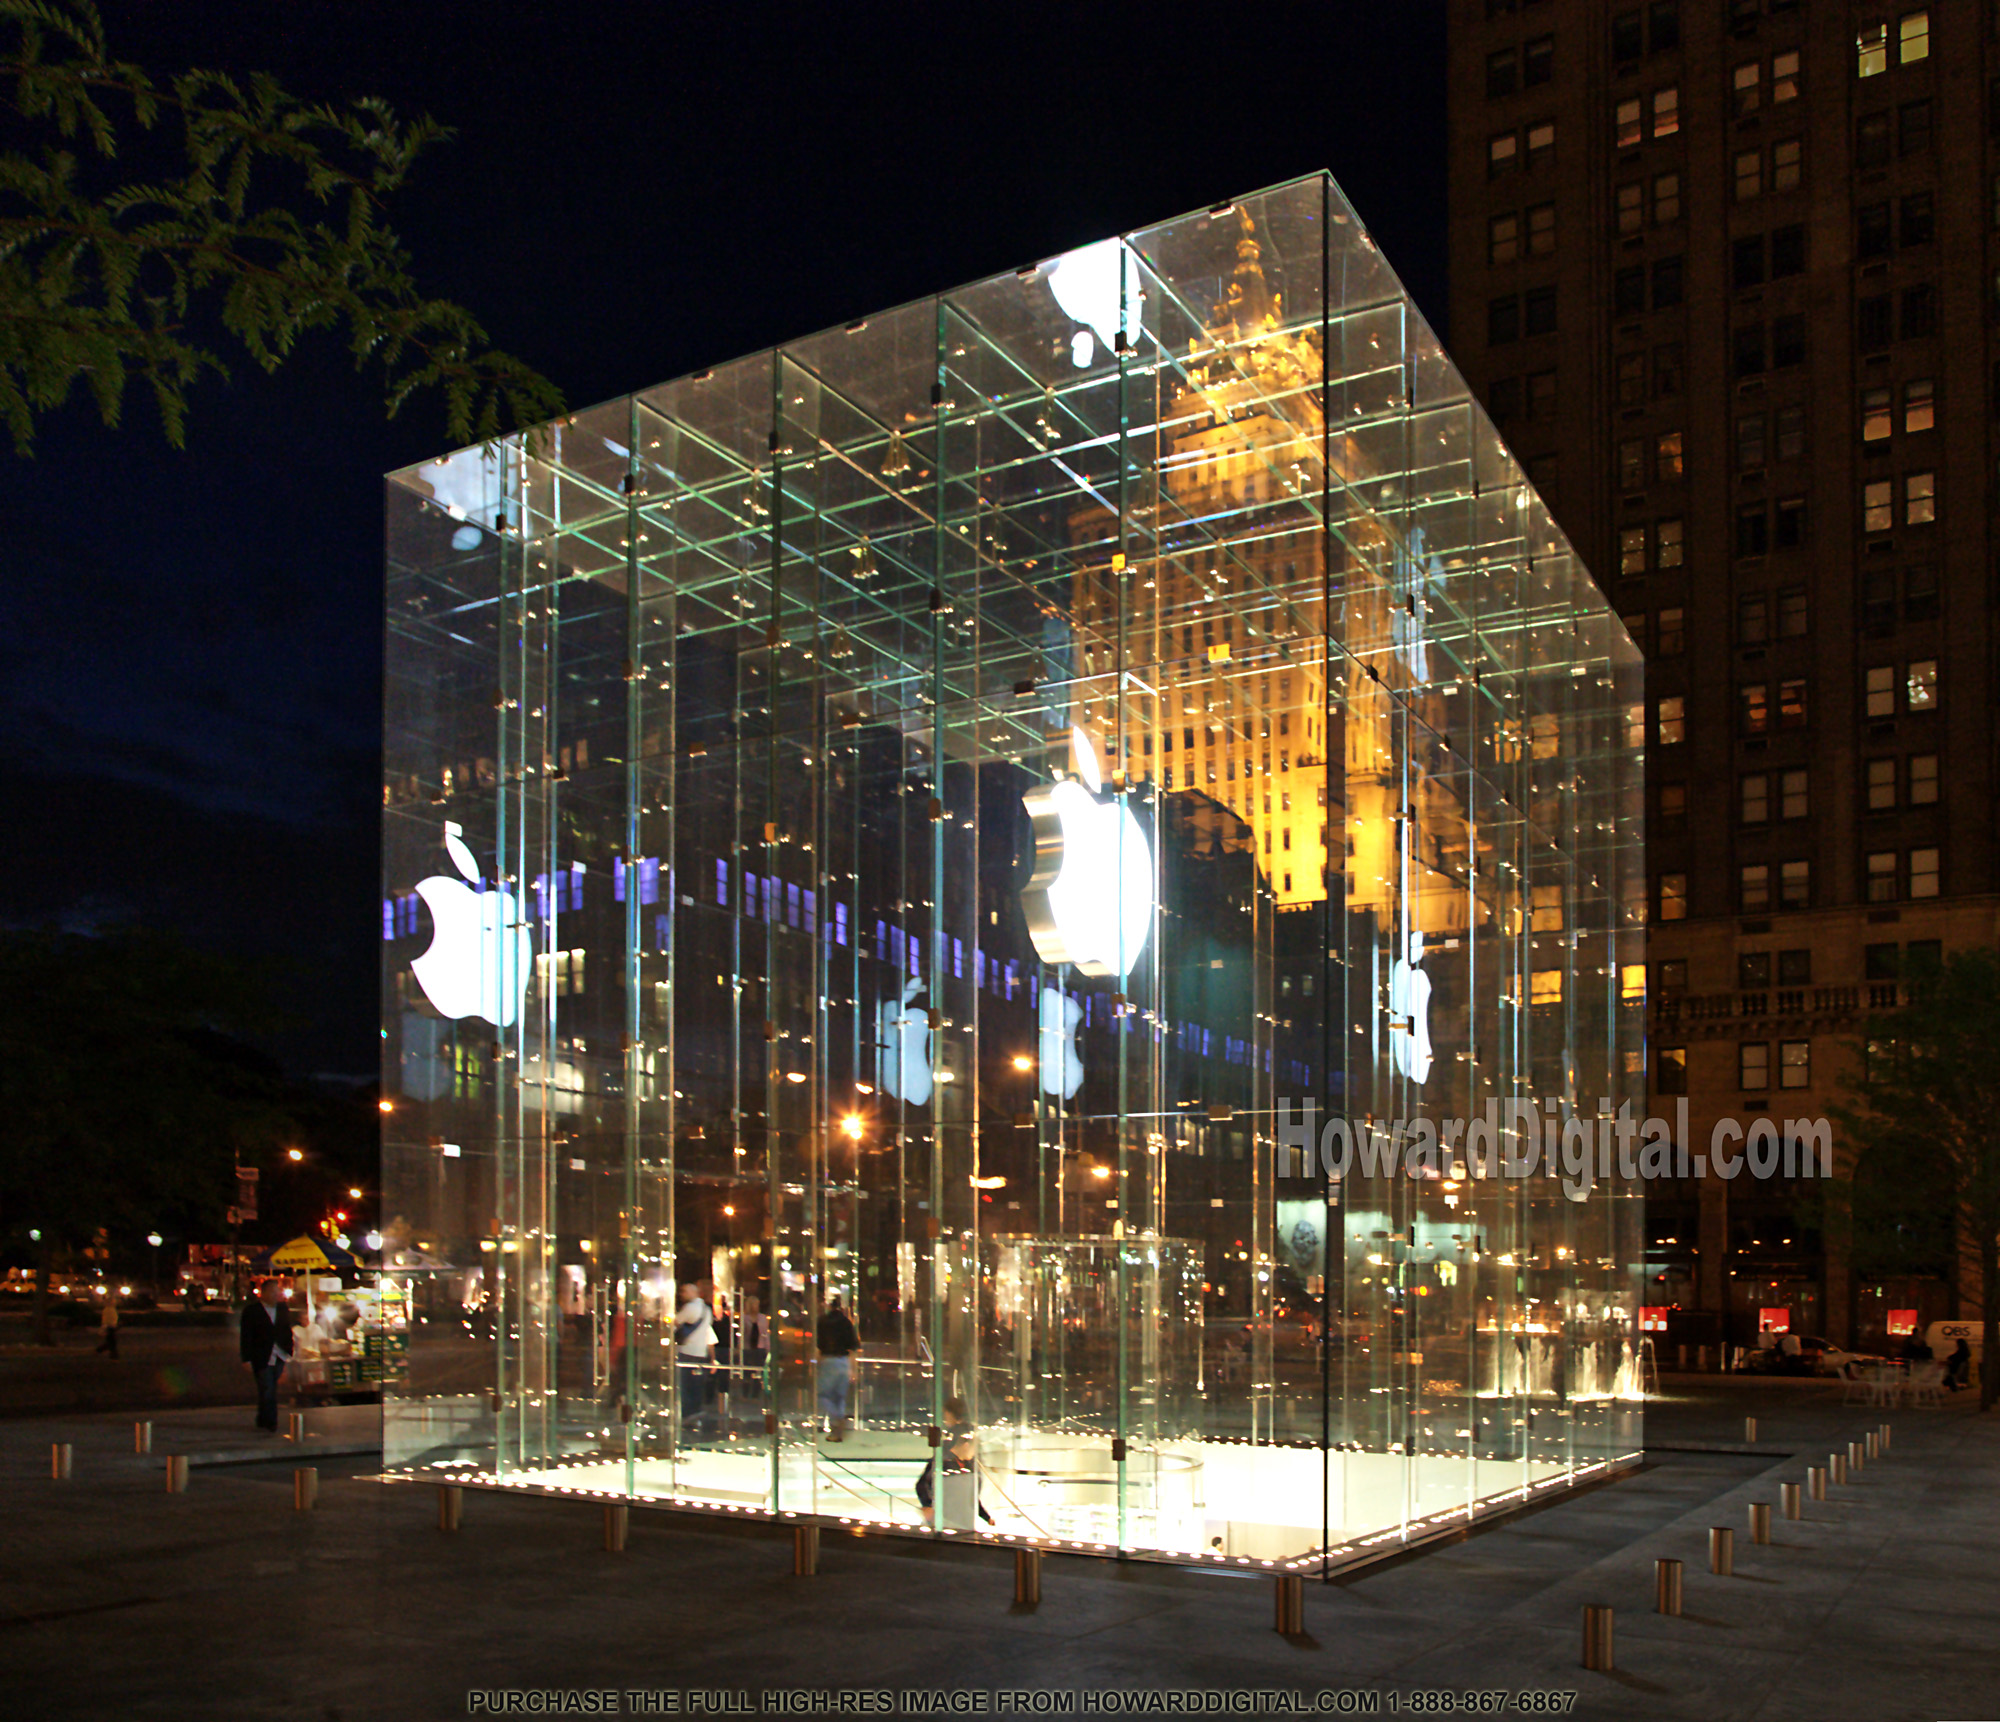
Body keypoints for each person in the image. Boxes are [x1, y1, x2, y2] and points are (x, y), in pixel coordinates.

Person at [916, 1396, 993, 1527]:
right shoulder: (946, 1461)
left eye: (946, 1415)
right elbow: (922, 1485)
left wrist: (986, 1517)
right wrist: (928, 1506)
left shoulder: (967, 1465)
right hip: (950, 1519)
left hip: (960, 1519)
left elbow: (972, 1498)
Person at [239, 1279, 296, 1433]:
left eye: (277, 1291)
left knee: (270, 1387)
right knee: (267, 1388)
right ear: (263, 1293)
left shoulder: (282, 1308)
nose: (275, 1294)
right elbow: (246, 1336)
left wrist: (289, 1348)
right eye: (272, 1291)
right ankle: (271, 1421)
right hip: (261, 1356)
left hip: (279, 1354)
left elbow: (286, 1329)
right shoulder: (252, 1311)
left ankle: (263, 1417)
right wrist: (246, 1359)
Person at [815, 1293, 860, 1441]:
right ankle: (838, 1423)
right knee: (839, 1397)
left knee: (824, 1395)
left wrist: (815, 1365)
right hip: (842, 1361)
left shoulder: (822, 1322)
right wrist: (852, 1369)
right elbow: (853, 1347)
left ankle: (836, 1420)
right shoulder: (847, 1322)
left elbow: (818, 1347)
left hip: (828, 1360)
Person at [674, 1282, 716, 1437]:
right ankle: (696, 1410)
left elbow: (675, 1321)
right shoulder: (707, 1310)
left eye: (684, 1291)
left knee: (684, 1384)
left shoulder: (690, 1308)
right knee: (696, 1383)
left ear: (693, 1292)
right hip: (701, 1352)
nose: (682, 1294)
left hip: (687, 1350)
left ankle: (687, 1413)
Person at [742, 1296, 770, 1402]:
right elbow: (743, 1333)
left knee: (758, 1371)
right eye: (754, 1304)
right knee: (747, 1372)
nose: (756, 1307)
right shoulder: (745, 1318)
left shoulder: (762, 1318)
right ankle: (745, 1394)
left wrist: (768, 1348)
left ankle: (755, 1394)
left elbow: (765, 1333)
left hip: (760, 1347)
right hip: (748, 1347)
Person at [95, 1293, 120, 1359]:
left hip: (111, 1327)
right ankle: (114, 1357)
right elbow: (107, 1320)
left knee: (110, 1342)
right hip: (110, 1327)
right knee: (112, 1343)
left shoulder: (110, 1309)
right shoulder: (109, 1309)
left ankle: (99, 1350)